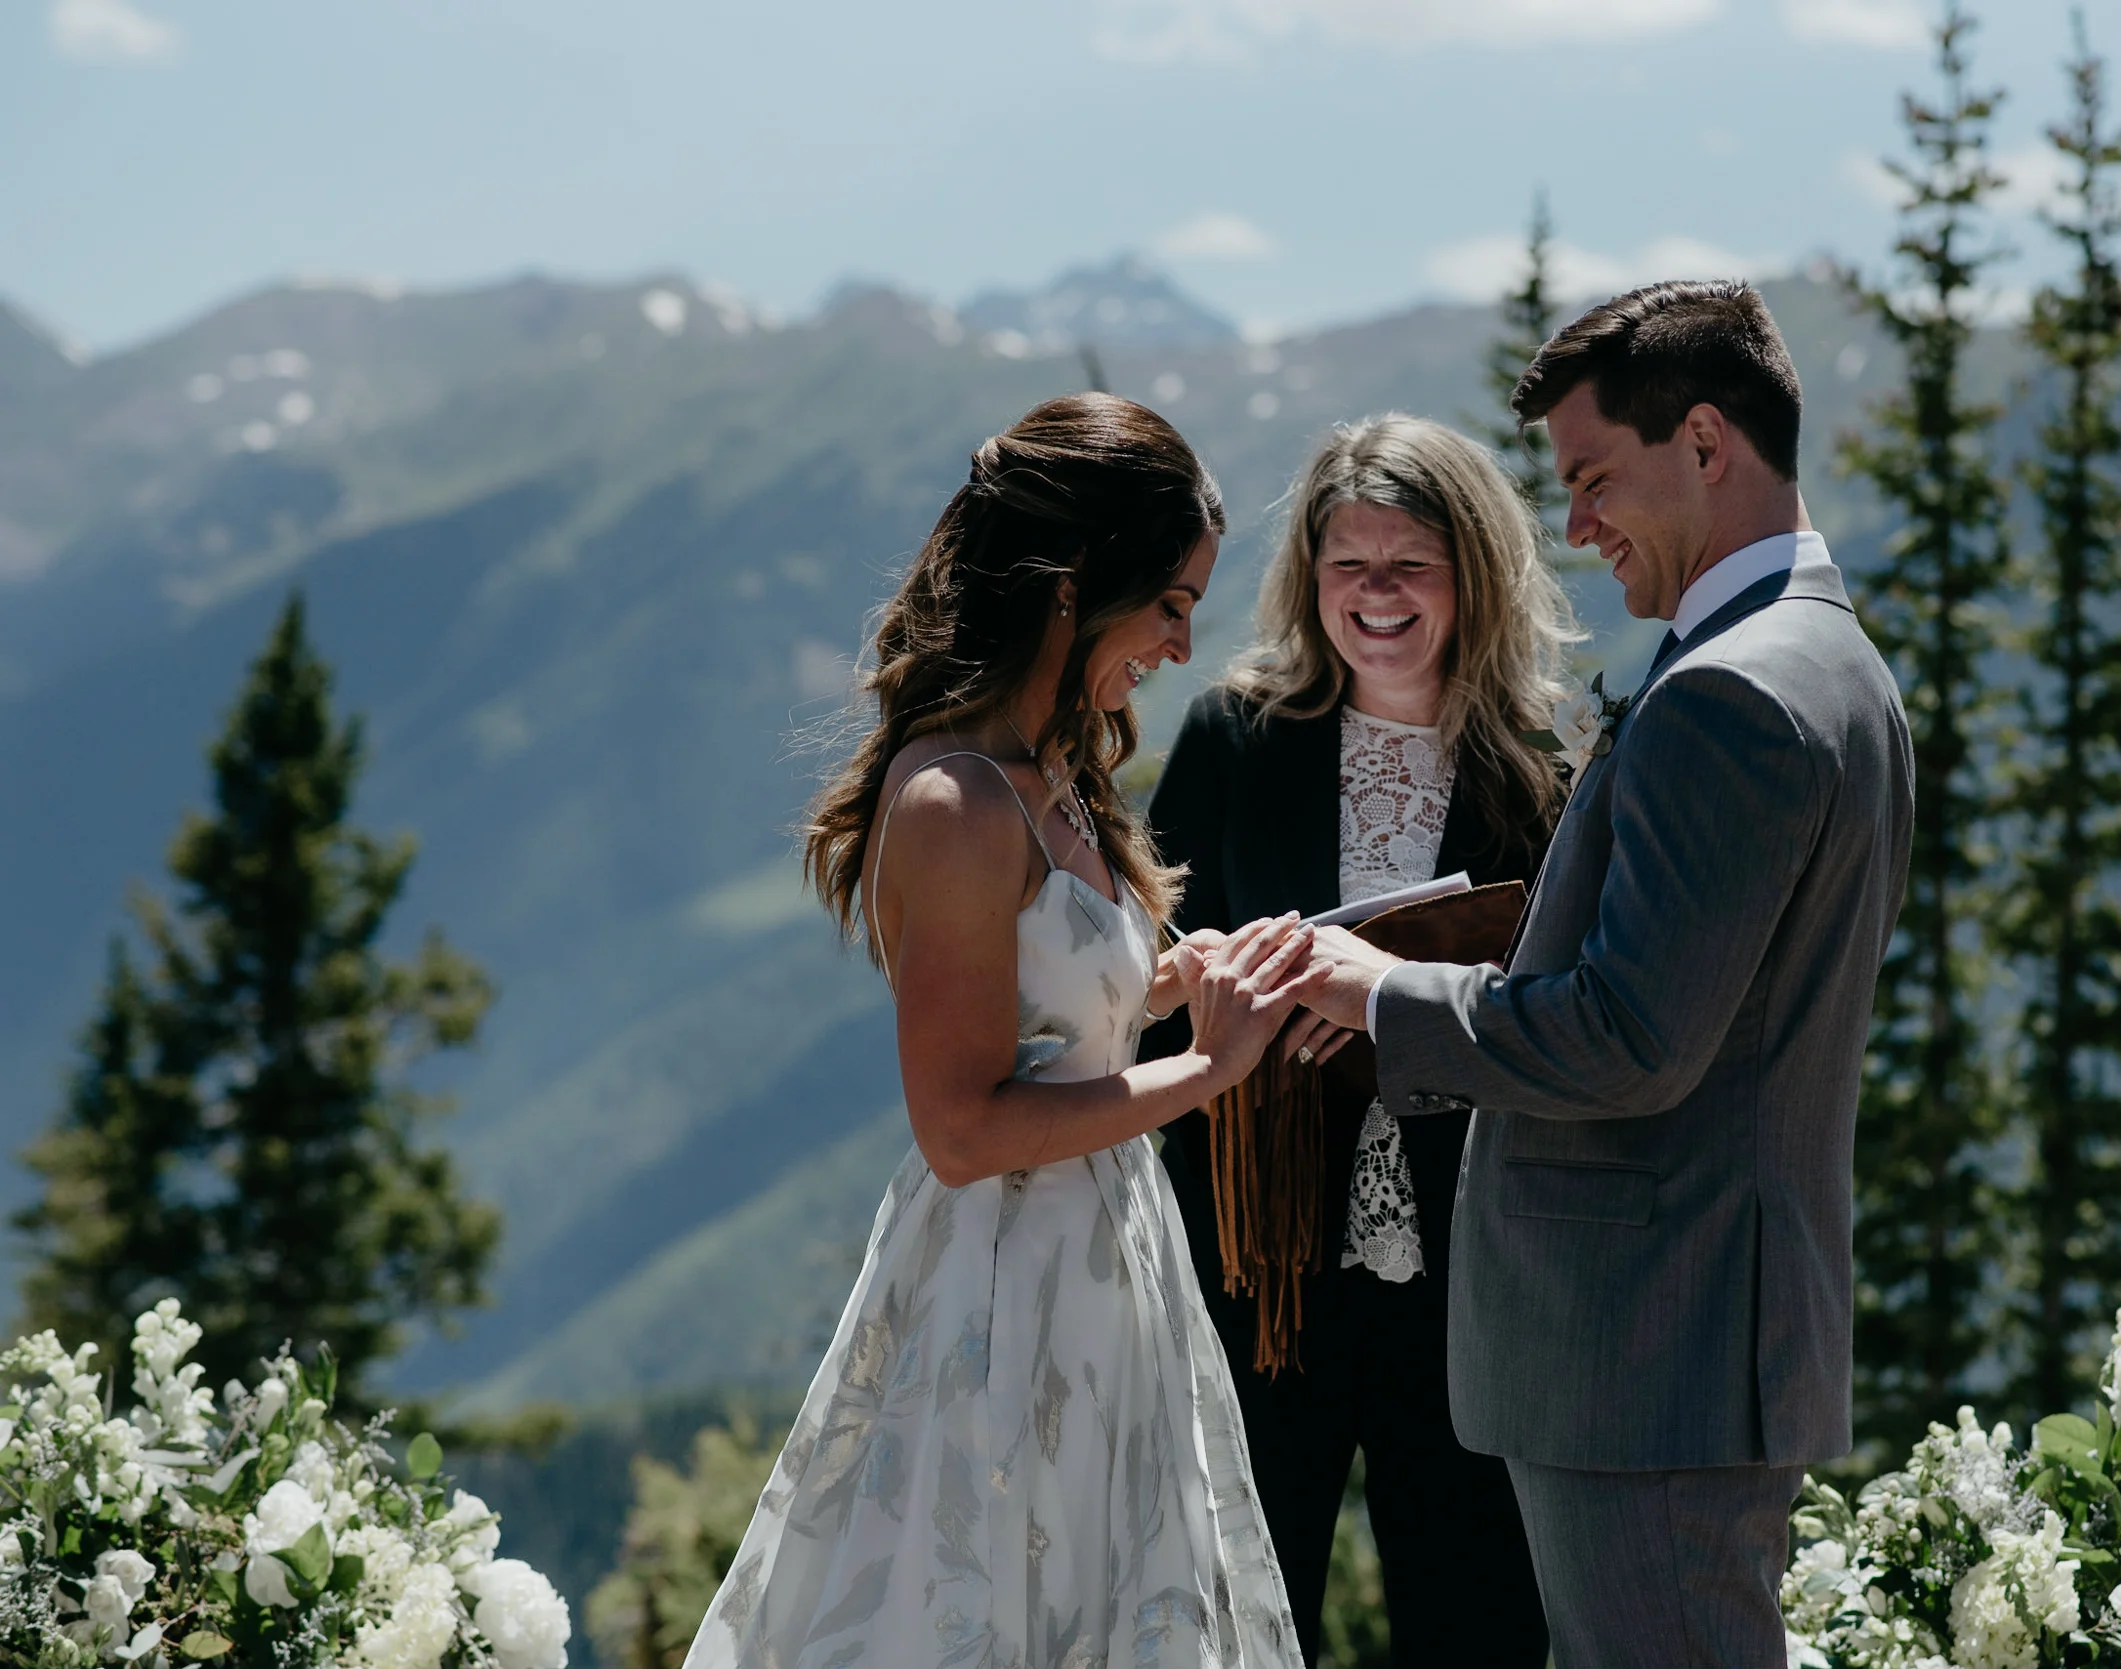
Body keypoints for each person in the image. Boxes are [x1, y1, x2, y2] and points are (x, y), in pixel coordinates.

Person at [1279, 283, 1915, 1668]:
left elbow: (1633, 1039)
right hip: (1697, 1347)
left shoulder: (1731, 695)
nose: (1573, 526)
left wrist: (1369, 991)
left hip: (1650, 1360)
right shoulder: (1836, 664)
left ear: (1703, 443)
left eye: (1591, 480)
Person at [683, 393, 1304, 1668]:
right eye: (1172, 602)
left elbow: (1055, 1020)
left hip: (1106, 1271)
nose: (1184, 647)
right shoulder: (954, 802)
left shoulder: (1054, 772)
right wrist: (1206, 1066)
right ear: (1076, 586)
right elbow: (963, 1128)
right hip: (1001, 1295)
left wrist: (1182, 980)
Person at [1145, 414, 1568, 1666]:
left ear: (1473, 576)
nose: (1374, 596)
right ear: (1308, 576)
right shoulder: (1233, 738)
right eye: (1348, 564)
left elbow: (1568, 1015)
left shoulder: (1545, 769)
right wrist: (1270, 1002)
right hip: (1258, 1261)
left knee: (1474, 1609)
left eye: (1410, 565)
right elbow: (1149, 979)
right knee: (1239, 1602)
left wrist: (1401, 1005)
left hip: (1470, 1269)